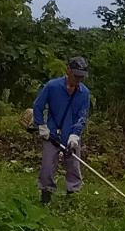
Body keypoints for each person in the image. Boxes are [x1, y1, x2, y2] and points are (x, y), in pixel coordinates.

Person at [31, 56, 92, 204]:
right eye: (76, 75)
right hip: (51, 133)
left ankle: (73, 195)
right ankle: (46, 195)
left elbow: (82, 116)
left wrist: (74, 135)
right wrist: (41, 126)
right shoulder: (52, 86)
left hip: (71, 134)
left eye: (81, 77)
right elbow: (38, 106)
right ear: (68, 71)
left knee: (73, 166)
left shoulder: (84, 93)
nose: (78, 79)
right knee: (47, 165)